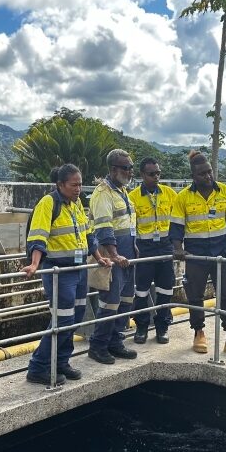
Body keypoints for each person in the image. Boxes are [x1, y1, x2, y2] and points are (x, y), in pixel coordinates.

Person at [21, 164, 111, 384]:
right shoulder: (49, 203)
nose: (78, 188)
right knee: (62, 319)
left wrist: (99, 258)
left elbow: (87, 234)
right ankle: (38, 367)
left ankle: (61, 361)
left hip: (78, 270)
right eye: (74, 185)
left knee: (76, 316)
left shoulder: (77, 203)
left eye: (80, 184)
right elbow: (38, 236)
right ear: (60, 184)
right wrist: (34, 264)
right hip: (59, 271)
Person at [169, 150, 226, 358]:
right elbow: (176, 227)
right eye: (202, 174)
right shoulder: (183, 197)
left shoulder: (225, 192)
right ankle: (199, 332)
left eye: (210, 172)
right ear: (194, 175)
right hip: (196, 255)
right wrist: (177, 249)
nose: (208, 177)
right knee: (195, 295)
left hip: (221, 252)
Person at [88, 149, 138, 364]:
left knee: (126, 300)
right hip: (113, 256)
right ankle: (98, 346)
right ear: (113, 169)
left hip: (128, 253)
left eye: (131, 168)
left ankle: (115, 341)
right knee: (110, 302)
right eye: (126, 168)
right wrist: (114, 254)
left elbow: (127, 224)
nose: (130, 172)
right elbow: (104, 227)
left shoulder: (122, 191)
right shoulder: (103, 193)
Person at [128, 157, 177, 344]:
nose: (156, 177)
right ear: (142, 175)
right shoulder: (132, 198)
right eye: (151, 174)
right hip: (144, 250)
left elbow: (178, 222)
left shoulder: (170, 194)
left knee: (165, 290)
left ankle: (162, 327)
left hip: (165, 248)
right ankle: (141, 326)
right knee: (141, 291)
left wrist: (177, 245)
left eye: (158, 173)